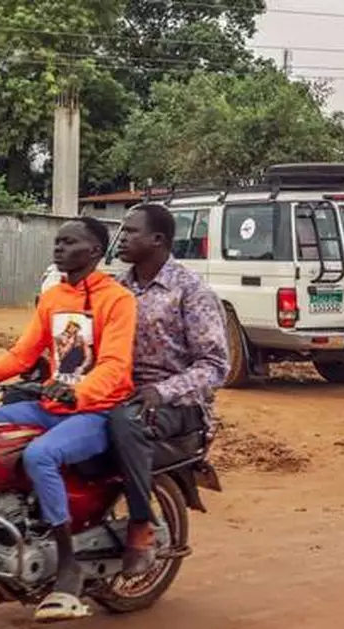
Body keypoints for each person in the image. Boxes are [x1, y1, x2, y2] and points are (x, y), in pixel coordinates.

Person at [0, 216, 136, 622]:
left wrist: (78, 391)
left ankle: (67, 563)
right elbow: (21, 357)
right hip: (52, 405)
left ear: (94, 251)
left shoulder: (117, 299)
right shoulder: (53, 297)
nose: (58, 248)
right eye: (57, 242)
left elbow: (115, 366)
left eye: (69, 242)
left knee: (39, 456)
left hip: (97, 411)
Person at [108, 203, 230, 576]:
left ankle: (141, 527)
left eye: (131, 232)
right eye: (122, 231)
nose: (122, 238)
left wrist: (162, 391)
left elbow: (215, 365)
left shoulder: (190, 291)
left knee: (124, 422)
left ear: (158, 240)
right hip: (123, 392)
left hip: (178, 405)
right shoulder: (117, 288)